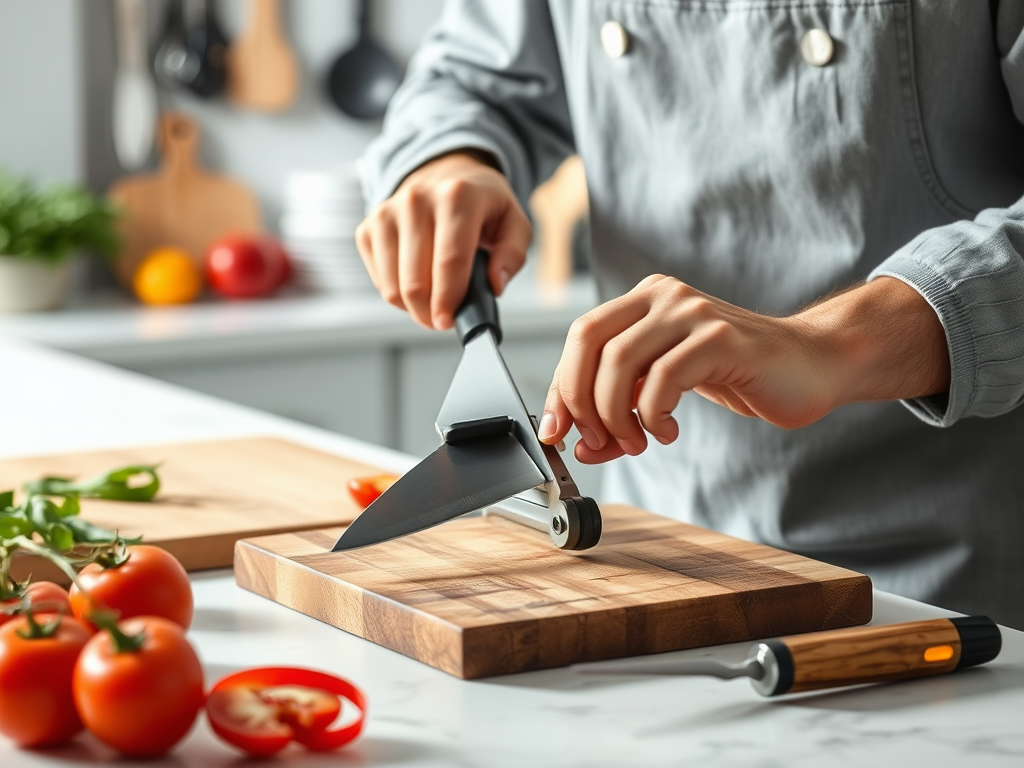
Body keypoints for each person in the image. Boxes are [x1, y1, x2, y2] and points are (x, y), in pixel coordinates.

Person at [356, 2, 1024, 629]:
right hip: (656, 557)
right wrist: (447, 161)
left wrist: (829, 346)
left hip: (954, 591)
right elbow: (470, 80)